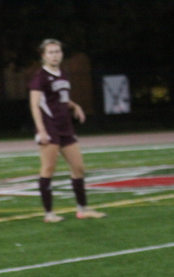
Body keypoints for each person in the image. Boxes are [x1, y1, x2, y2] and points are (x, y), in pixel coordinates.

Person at [28, 39, 106, 223]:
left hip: (65, 127)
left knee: (78, 168)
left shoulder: (62, 74)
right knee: (48, 169)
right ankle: (49, 213)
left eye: (57, 52)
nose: (55, 55)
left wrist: (74, 106)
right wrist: (41, 130)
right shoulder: (40, 77)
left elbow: (60, 99)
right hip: (49, 128)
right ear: (43, 56)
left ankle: (82, 209)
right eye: (51, 52)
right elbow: (35, 104)